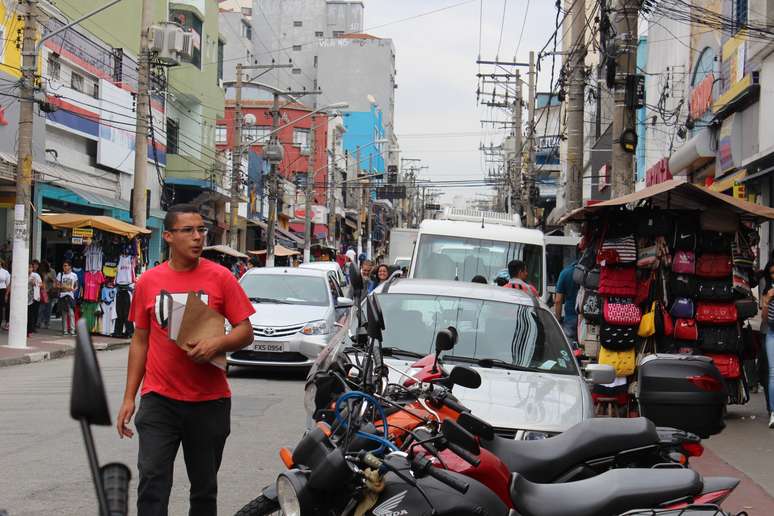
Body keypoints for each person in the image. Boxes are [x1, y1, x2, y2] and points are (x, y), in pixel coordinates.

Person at [116, 203, 255, 515]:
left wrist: (216, 343)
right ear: (168, 236)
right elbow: (140, 340)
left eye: (201, 230)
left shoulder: (221, 278)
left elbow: (246, 332)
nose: (197, 237)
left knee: (204, 489)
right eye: (188, 230)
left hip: (210, 402)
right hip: (159, 399)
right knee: (152, 481)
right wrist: (129, 397)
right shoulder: (149, 281)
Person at [760, 259, 774, 429]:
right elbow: (764, 319)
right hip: (772, 332)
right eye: (771, 273)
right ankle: (773, 412)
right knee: (772, 373)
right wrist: (767, 300)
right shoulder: (768, 291)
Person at [554, 258, 580, 346]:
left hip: (570, 318)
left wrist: (557, 319)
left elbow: (558, 300)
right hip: (589, 320)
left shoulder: (565, 273)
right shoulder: (594, 272)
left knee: (569, 348)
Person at [57, 261, 79, 335]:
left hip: (70, 295)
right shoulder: (60, 274)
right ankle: (65, 330)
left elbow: (76, 285)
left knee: (71, 313)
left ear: (70, 267)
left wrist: (74, 289)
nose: (64, 267)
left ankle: (72, 330)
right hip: (63, 295)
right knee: (64, 314)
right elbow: (56, 285)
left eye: (66, 266)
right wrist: (64, 287)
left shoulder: (74, 275)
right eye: (63, 266)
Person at [38, 260, 56, 329]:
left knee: (48, 309)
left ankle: (47, 323)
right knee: (41, 308)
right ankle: (39, 322)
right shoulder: (41, 272)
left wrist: (48, 276)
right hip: (42, 292)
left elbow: (54, 280)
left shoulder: (52, 271)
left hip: (49, 292)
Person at [27, 262, 42, 336]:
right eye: (27, 267)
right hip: (25, 298)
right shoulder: (23, 275)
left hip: (34, 297)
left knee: (32, 314)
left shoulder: (35, 275)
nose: (28, 269)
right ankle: (27, 330)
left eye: (30, 267)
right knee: (27, 314)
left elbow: (41, 284)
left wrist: (34, 283)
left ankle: (30, 330)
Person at [0, 259, 9, 331]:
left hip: (2, 290)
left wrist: (6, 294)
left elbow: (8, 284)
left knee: (0, 308)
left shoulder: (5, 272)